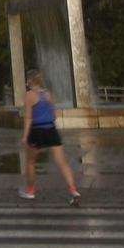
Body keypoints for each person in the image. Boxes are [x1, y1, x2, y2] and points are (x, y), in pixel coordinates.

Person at [19, 68, 81, 205]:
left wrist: (25, 136)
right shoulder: (49, 94)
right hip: (51, 130)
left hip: (36, 131)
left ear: (30, 81)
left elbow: (28, 118)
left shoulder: (29, 95)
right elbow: (53, 115)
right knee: (62, 162)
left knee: (31, 161)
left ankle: (29, 191)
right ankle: (73, 189)